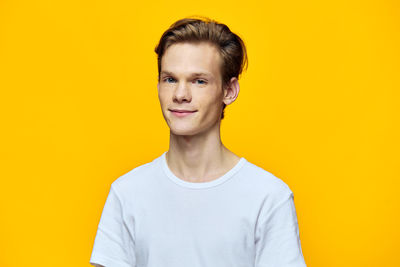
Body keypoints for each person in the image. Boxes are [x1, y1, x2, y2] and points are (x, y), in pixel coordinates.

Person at [90, 17, 307, 267]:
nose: (180, 95)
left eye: (199, 81)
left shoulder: (269, 197)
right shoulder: (126, 193)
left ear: (229, 91)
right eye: (170, 79)